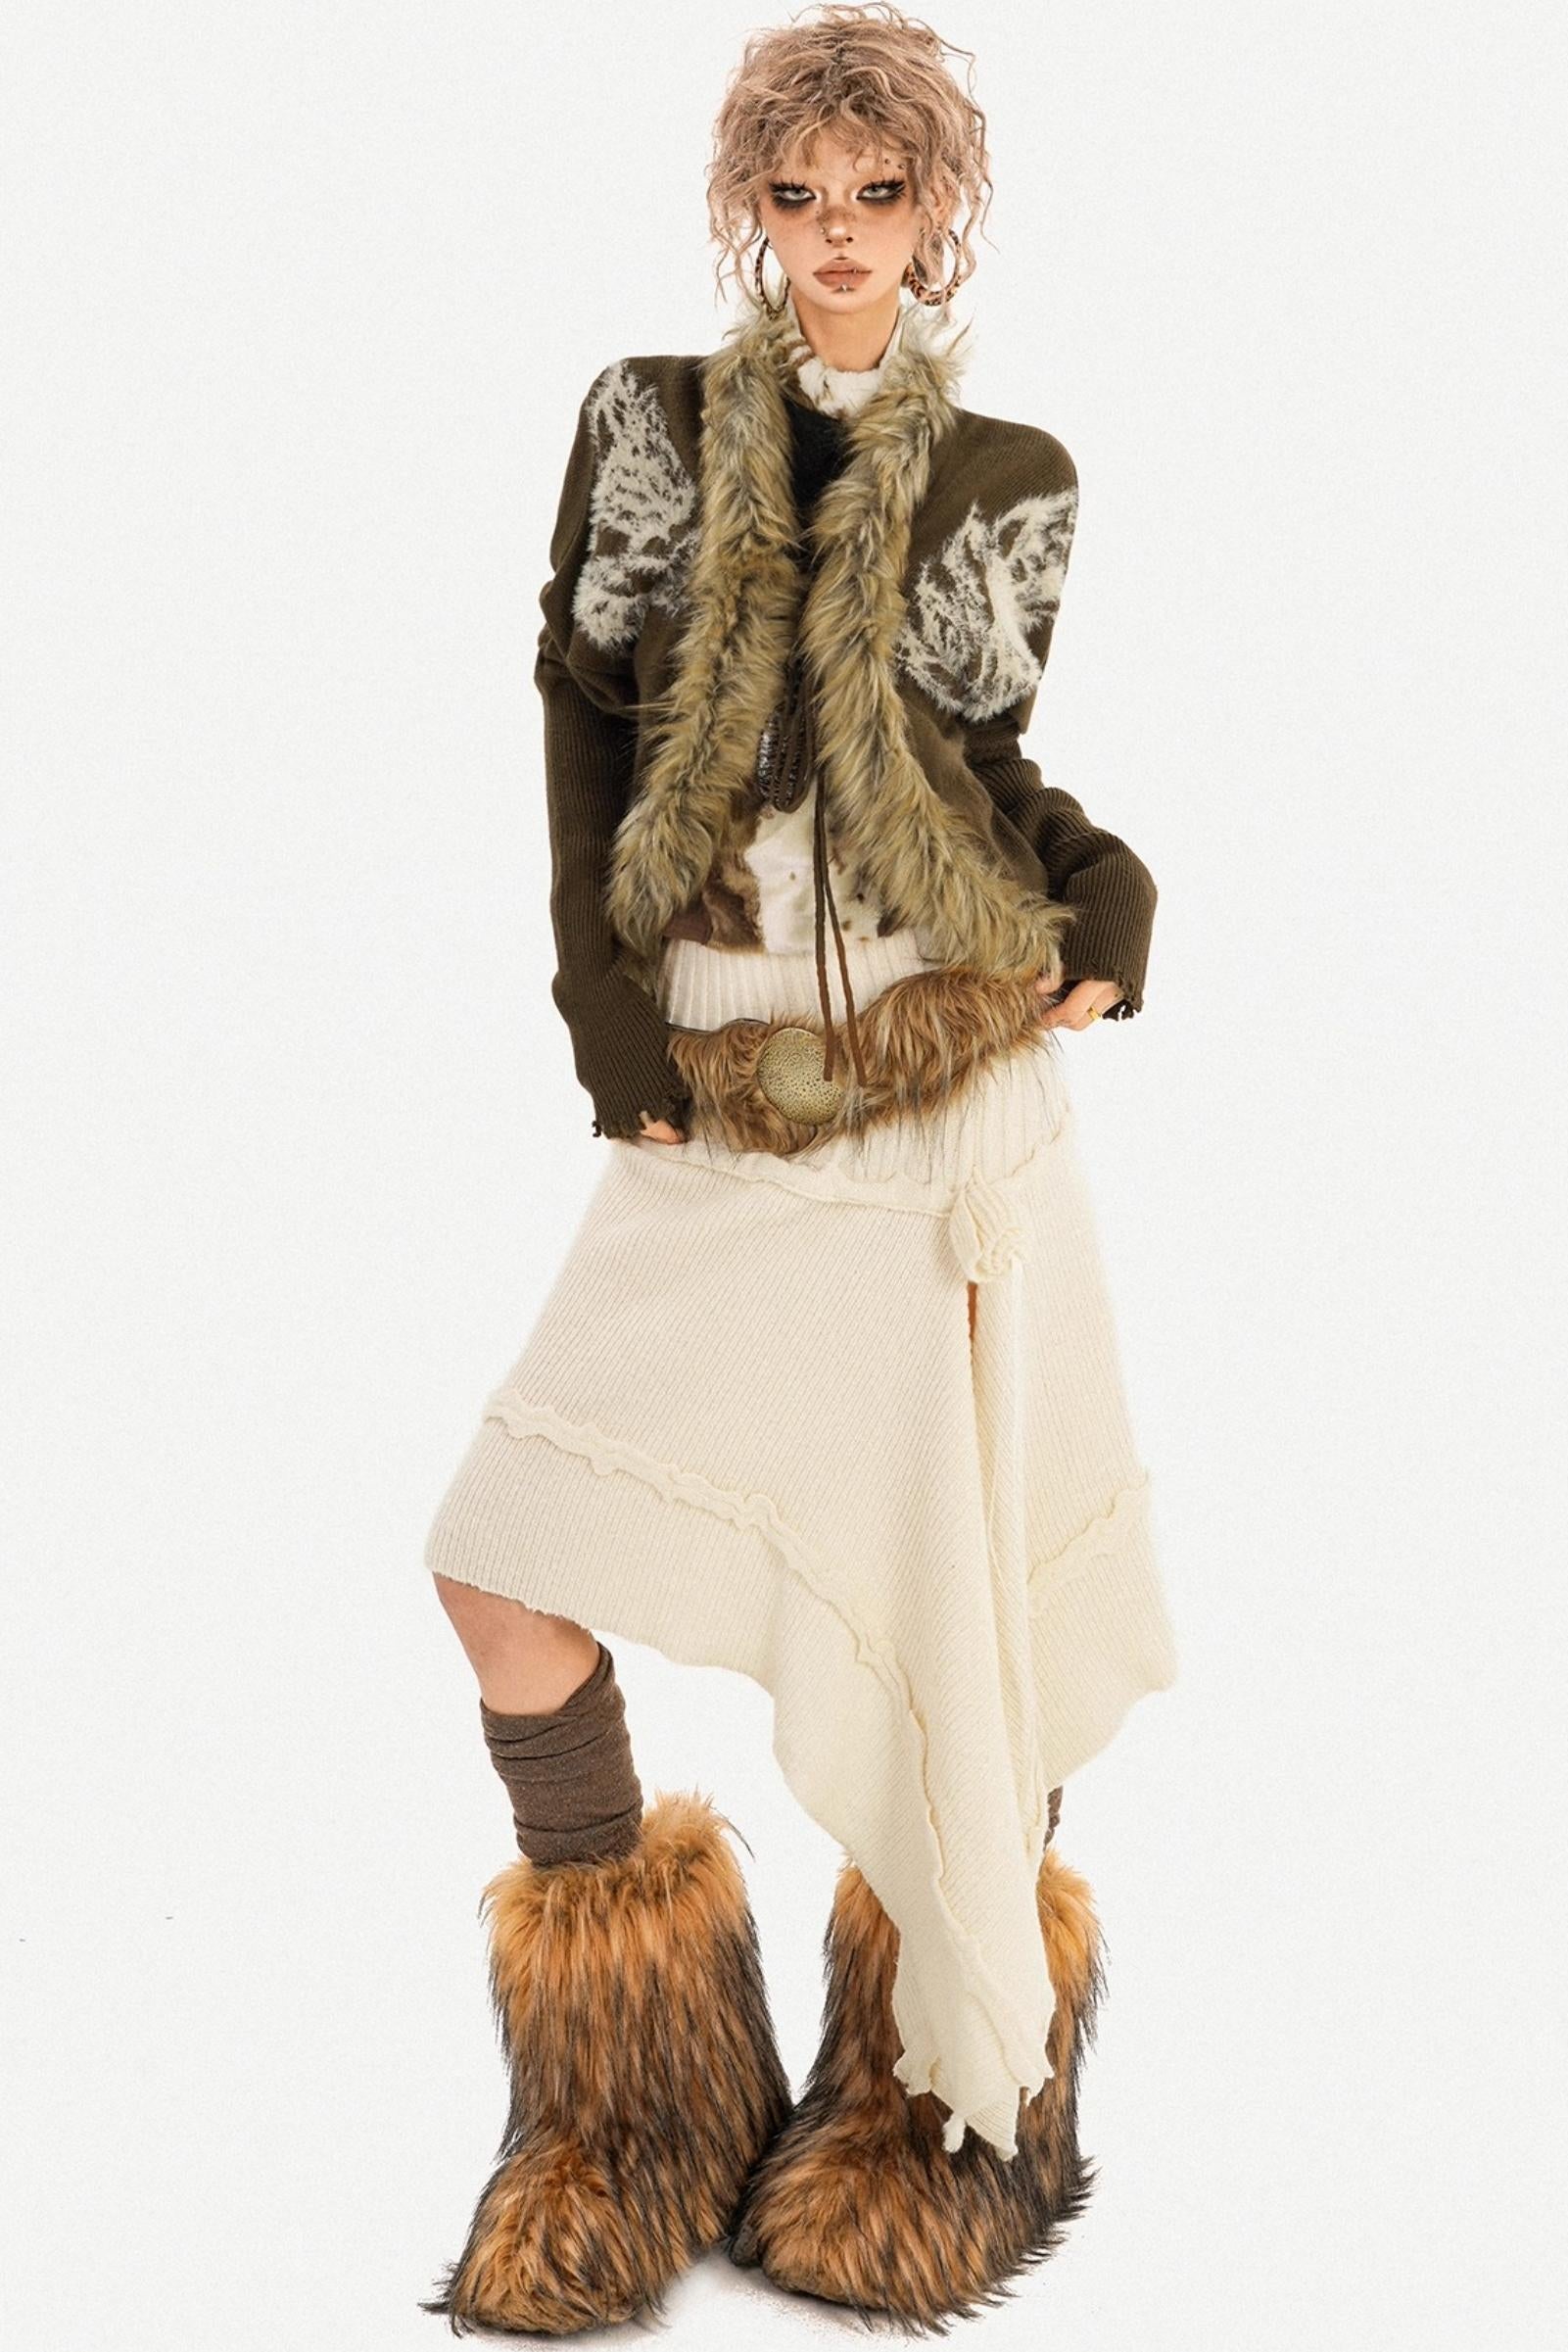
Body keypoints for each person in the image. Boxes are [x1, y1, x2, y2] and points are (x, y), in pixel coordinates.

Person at [419, 4, 1178, 2333]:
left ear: (942, 210)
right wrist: (605, 1012)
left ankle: (935, 2108)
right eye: (798, 193)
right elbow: (584, 718)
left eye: (881, 194)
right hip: (721, 1094)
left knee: (975, 1602)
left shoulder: (1014, 471)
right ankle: (631, 2110)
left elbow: (972, 780)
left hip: (950, 1093)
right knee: (500, 1562)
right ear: (747, 207)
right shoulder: (647, 428)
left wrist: (1111, 889)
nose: (839, 235)